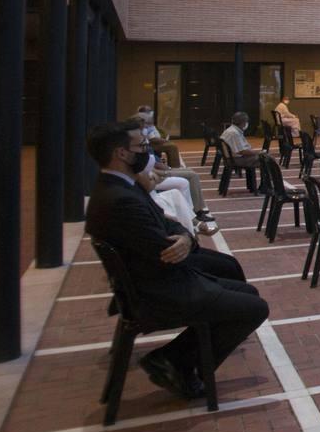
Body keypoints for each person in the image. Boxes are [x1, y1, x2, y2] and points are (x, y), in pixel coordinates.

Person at [85, 120, 268, 401]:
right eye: (141, 147)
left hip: (155, 279)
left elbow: (168, 225)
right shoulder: (120, 199)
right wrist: (186, 240)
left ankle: (178, 358)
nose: (147, 152)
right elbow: (167, 250)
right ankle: (176, 363)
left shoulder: (118, 187)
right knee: (255, 307)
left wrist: (185, 236)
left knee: (245, 291)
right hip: (159, 291)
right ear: (121, 153)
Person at [220, 112, 263, 192]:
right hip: (236, 159)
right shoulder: (234, 133)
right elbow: (242, 151)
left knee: (262, 157)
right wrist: (258, 153)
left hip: (232, 157)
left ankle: (253, 186)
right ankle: (265, 186)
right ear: (243, 123)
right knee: (265, 159)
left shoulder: (232, 130)